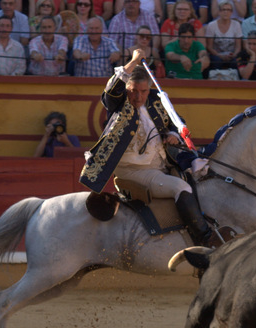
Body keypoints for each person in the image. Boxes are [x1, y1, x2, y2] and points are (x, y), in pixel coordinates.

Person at [79, 48, 226, 247]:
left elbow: (175, 120)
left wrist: (172, 134)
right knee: (181, 187)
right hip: (134, 171)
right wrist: (133, 61)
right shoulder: (119, 102)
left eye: (143, 91)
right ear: (127, 88)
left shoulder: (157, 99)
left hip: (160, 164)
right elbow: (111, 91)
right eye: (133, 91)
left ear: (149, 89)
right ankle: (205, 239)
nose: (138, 97)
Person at [205, 0, 242, 70]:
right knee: (216, 61)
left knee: (236, 61)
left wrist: (234, 55)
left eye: (228, 10)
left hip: (231, 55)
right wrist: (219, 55)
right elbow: (209, 47)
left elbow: (238, 47)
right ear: (219, 11)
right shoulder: (211, 25)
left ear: (231, 12)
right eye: (223, 10)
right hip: (216, 55)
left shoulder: (236, 24)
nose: (226, 12)